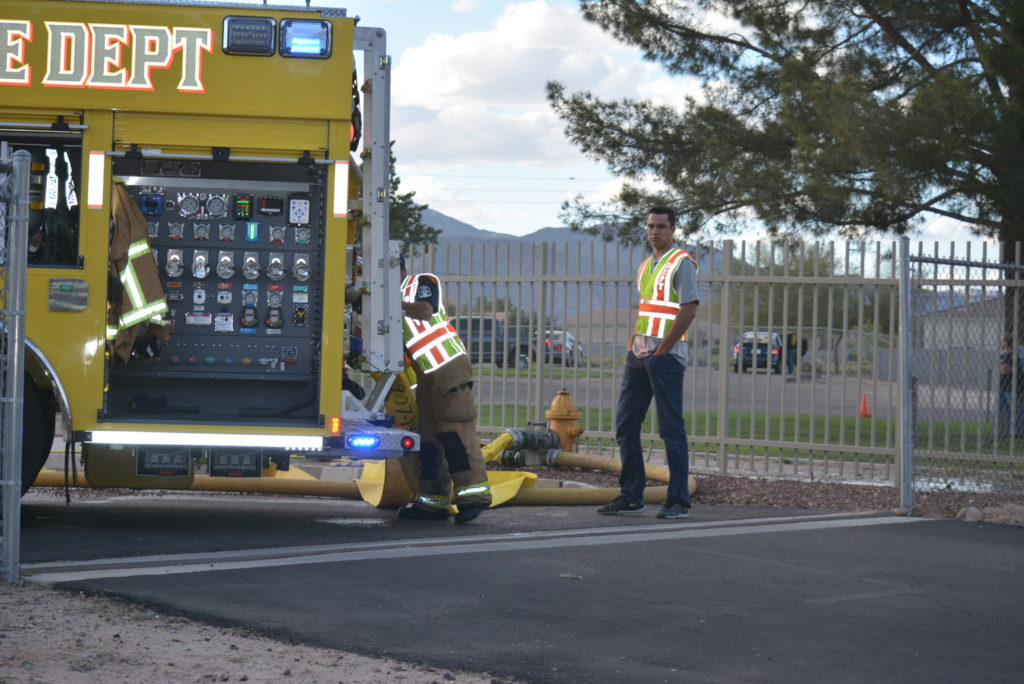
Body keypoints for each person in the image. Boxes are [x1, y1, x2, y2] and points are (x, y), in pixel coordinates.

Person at [598, 207, 699, 519]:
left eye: (661, 226)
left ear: (672, 229)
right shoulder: (645, 266)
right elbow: (646, 309)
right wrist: (633, 342)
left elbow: (689, 309)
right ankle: (632, 496)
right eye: (651, 226)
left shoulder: (681, 262)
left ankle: (679, 500)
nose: (654, 231)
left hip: (665, 358)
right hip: (639, 355)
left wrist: (663, 350)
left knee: (671, 429)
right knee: (626, 425)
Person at [396, 256, 492, 523]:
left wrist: (388, 303)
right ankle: (433, 502)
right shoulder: (387, 298)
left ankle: (474, 497)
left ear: (397, 267)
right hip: (426, 373)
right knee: (429, 439)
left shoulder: (420, 283)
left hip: (448, 365)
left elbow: (425, 311)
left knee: (454, 431)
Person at [998, 334, 1024, 439]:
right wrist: (1001, 368)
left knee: (1016, 409)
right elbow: (1000, 368)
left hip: (1010, 387)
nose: (1001, 343)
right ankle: (1012, 431)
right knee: (1007, 410)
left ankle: (1021, 430)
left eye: (1003, 341)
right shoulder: (1005, 355)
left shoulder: (1013, 356)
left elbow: (1004, 370)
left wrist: (1001, 368)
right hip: (1004, 387)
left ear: (1007, 343)